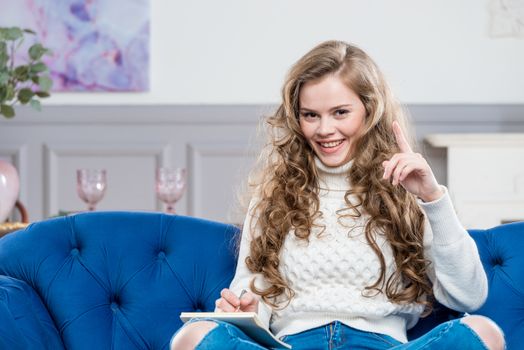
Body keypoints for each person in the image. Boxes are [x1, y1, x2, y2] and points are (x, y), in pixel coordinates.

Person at [171, 40, 505, 350]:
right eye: (310, 115)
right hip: (292, 343)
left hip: (382, 343)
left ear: (369, 110)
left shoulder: (407, 192)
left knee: (483, 331)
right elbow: (253, 297)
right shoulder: (273, 197)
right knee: (193, 335)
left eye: (340, 112)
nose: (324, 129)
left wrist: (432, 198)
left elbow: (469, 297)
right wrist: (244, 308)